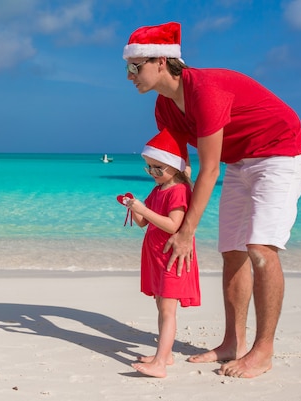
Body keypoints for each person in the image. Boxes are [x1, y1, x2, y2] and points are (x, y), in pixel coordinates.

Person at [122, 22, 301, 378]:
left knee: (260, 248)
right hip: (239, 162)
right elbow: (183, 172)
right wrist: (161, 212)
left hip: (280, 153)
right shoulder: (165, 108)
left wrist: (187, 231)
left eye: (135, 67)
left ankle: (263, 351)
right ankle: (231, 343)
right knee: (232, 251)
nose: (129, 75)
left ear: (161, 62)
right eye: (127, 68)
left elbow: (210, 170)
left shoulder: (204, 90)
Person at [119, 128, 200, 378]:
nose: (152, 173)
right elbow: (145, 223)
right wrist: (134, 208)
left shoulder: (178, 191)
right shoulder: (158, 189)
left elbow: (173, 225)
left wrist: (145, 209)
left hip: (172, 256)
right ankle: (165, 355)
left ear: (174, 168)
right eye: (148, 168)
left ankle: (160, 364)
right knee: (160, 305)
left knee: (167, 309)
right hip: (156, 256)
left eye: (157, 168)